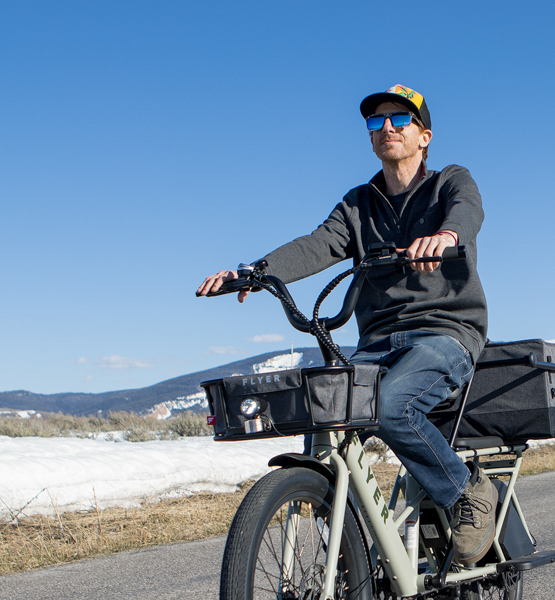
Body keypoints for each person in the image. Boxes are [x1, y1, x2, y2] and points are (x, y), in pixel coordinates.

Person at [197, 85, 498, 565]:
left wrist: (446, 235)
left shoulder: (449, 182)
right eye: (376, 122)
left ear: (424, 136)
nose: (387, 128)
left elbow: (468, 209)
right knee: (325, 414)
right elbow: (317, 244)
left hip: (444, 333)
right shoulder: (359, 204)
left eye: (400, 119)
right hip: (376, 343)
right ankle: (347, 556)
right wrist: (256, 271)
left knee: (390, 406)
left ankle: (467, 492)